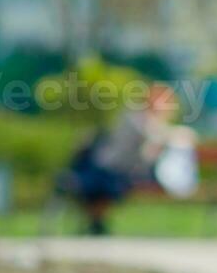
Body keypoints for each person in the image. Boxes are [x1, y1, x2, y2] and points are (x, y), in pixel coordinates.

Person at [70, 83, 187, 235]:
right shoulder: (135, 118)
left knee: (102, 186)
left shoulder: (156, 124)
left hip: (124, 172)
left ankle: (96, 223)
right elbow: (150, 134)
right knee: (98, 184)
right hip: (111, 168)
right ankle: (96, 222)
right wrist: (176, 134)